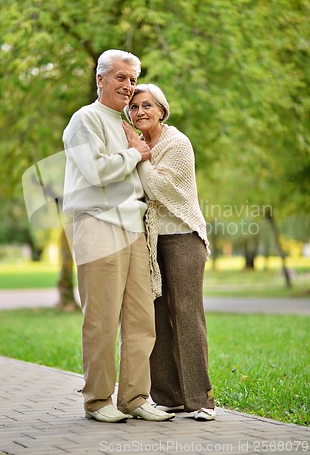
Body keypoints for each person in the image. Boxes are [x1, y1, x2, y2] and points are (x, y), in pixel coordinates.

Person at [62, 51, 175, 423]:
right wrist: (133, 153)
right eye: (121, 78)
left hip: (133, 228)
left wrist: (137, 149)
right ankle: (97, 401)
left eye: (132, 79)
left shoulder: (127, 123)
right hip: (97, 225)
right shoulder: (85, 119)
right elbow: (94, 172)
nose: (128, 86)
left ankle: (134, 398)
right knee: (101, 320)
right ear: (100, 79)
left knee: (142, 319)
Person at [123, 83, 216, 421]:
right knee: (156, 317)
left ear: (161, 110)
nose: (140, 112)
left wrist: (140, 157)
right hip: (150, 241)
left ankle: (201, 400)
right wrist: (135, 152)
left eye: (146, 105)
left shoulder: (177, 143)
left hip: (183, 237)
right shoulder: (136, 145)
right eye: (133, 107)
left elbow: (158, 187)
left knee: (187, 316)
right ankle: (169, 395)